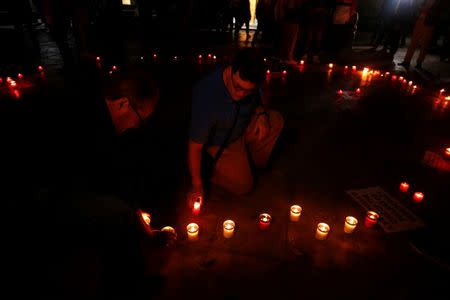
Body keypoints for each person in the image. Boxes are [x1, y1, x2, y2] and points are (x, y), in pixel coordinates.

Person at [187, 48, 284, 207]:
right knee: (243, 185)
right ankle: (218, 170)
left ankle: (248, 158)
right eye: (237, 87)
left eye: (248, 91)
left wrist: (261, 113)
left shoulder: (252, 78)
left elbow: (259, 96)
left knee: (276, 120)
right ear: (231, 70)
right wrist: (197, 186)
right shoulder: (206, 95)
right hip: (220, 144)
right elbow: (195, 146)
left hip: (240, 129)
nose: (240, 95)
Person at [398, 0, 441, 70]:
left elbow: (437, 14)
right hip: (420, 22)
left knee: (424, 44)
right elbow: (419, 9)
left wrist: (427, 11)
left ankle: (419, 63)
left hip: (429, 24)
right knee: (413, 42)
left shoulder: (438, 3)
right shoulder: (425, 1)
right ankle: (406, 61)